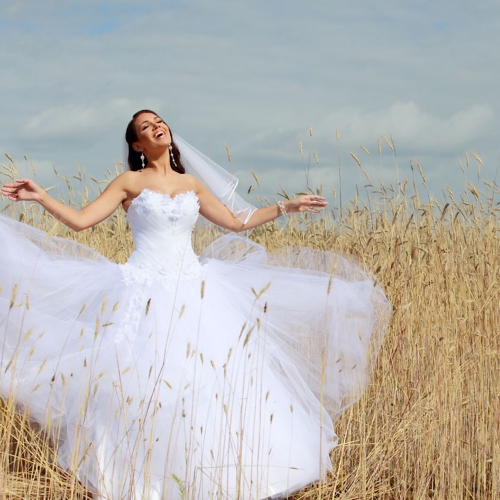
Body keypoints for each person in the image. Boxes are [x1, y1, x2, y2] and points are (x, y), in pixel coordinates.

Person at [0, 110, 390, 500]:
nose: (157, 126)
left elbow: (236, 222)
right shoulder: (129, 182)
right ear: (137, 144)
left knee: (212, 386)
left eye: (158, 120)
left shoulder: (191, 184)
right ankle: (145, 483)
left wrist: (286, 207)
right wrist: (41, 196)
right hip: (142, 294)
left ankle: (218, 481)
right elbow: (82, 221)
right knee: (141, 388)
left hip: (196, 292)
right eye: (145, 127)